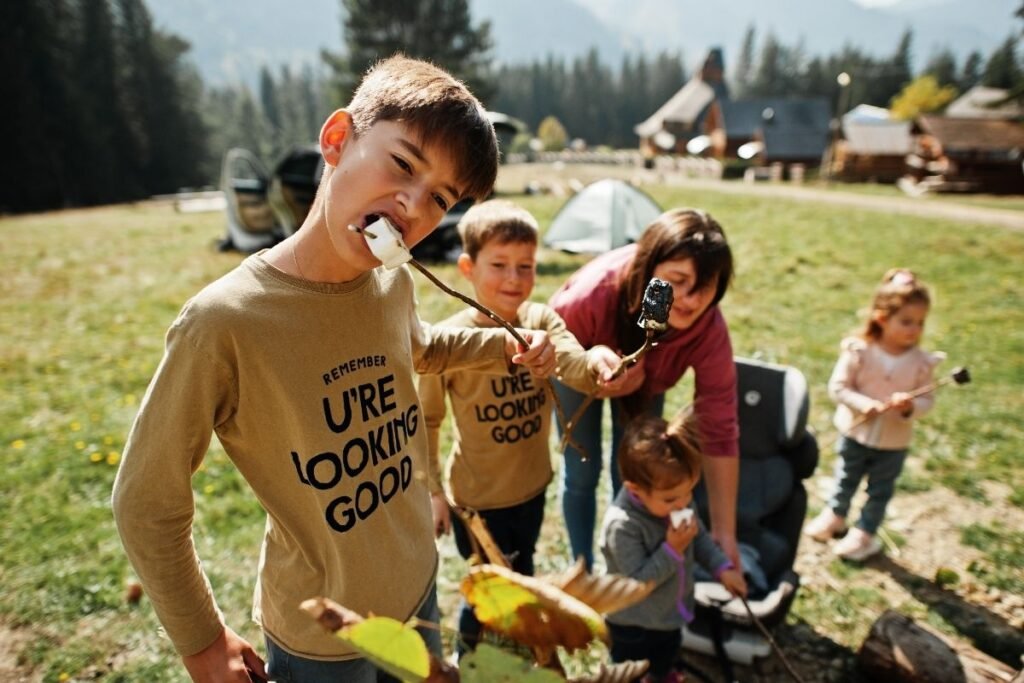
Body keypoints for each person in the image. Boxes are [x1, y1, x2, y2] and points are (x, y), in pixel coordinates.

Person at [111, 55, 561, 683]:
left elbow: (421, 350)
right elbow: (145, 503)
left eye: (439, 198)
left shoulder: (392, 284)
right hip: (322, 638)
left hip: (417, 590)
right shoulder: (223, 322)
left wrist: (506, 346)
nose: (411, 204)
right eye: (402, 164)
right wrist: (202, 639)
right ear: (336, 139)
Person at [419, 199, 622, 656]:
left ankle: (520, 649)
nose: (514, 279)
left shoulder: (541, 319)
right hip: (477, 500)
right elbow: (426, 420)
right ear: (468, 267)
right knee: (487, 589)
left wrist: (596, 360)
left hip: (531, 488)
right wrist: (432, 490)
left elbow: (571, 357)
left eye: (526, 266)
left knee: (524, 571)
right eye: (500, 265)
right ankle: (468, 657)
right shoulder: (446, 342)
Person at [549, 208, 740, 571]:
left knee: (640, 474)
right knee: (582, 469)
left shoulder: (708, 329)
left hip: (647, 386)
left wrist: (725, 533)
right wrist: (590, 365)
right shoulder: (590, 295)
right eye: (677, 280)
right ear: (647, 267)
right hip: (577, 365)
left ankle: (625, 562)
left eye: (706, 285)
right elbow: (551, 349)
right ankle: (581, 567)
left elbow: (720, 428)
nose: (690, 299)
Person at [805, 268, 944, 561]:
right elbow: (839, 388)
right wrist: (862, 403)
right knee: (846, 477)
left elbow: (927, 402)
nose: (914, 329)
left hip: (894, 442)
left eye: (920, 322)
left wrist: (909, 407)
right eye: (906, 321)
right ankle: (835, 515)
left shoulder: (921, 364)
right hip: (855, 432)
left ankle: (864, 533)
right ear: (881, 318)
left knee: (880, 490)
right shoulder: (860, 351)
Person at [600, 414, 747, 683]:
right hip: (632, 626)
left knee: (665, 660)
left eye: (689, 492)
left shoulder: (677, 503)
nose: (682, 504)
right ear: (635, 489)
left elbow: (699, 536)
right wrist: (672, 549)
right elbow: (637, 583)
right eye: (670, 499)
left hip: (670, 615)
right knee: (629, 675)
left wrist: (721, 567)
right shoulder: (623, 526)